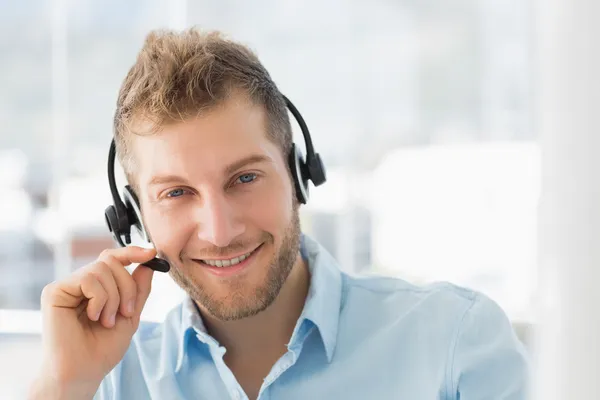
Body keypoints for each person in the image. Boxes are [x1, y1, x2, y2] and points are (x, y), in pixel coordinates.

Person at [29, 28, 529, 400]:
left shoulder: (453, 341)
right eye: (177, 193)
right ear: (133, 216)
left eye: (244, 178)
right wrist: (63, 384)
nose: (220, 231)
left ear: (297, 173)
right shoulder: (108, 379)